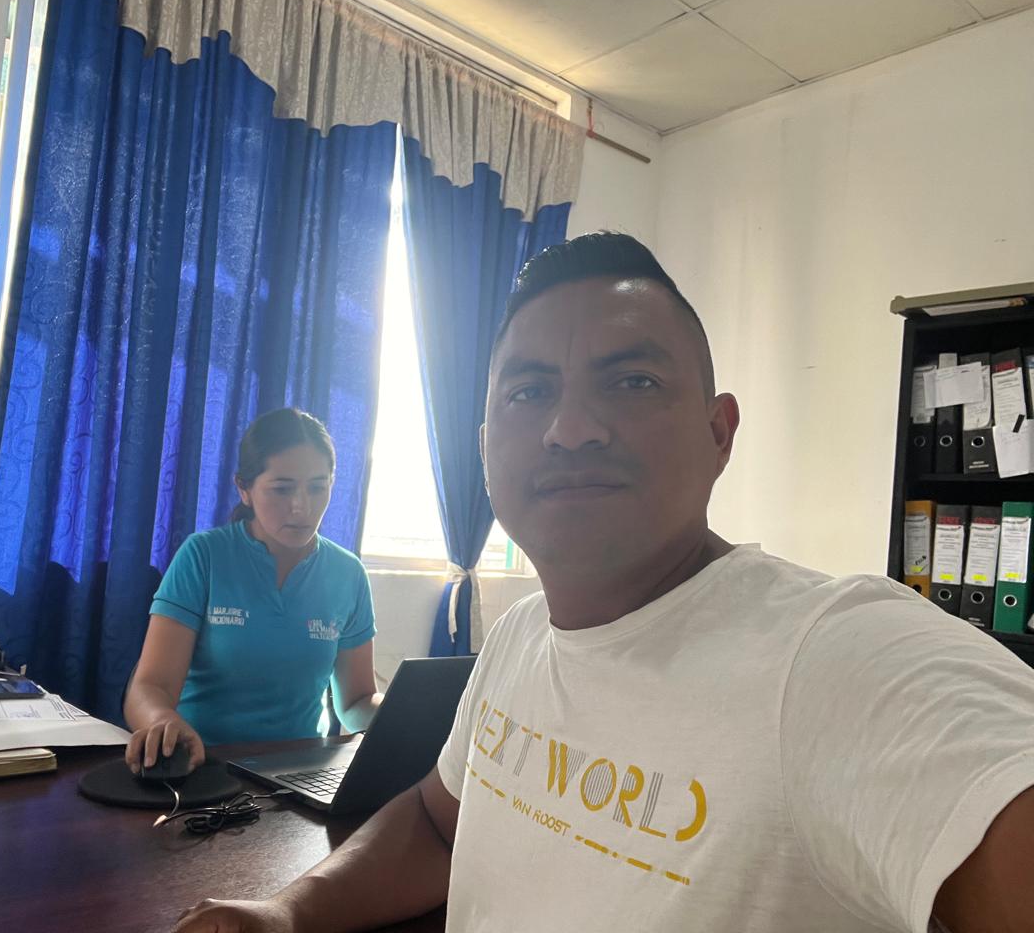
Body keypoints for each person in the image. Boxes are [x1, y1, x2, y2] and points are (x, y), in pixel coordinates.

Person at [172, 232, 1034, 932]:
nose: (571, 428)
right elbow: (438, 822)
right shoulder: (520, 634)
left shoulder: (834, 657)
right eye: (528, 391)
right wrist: (289, 912)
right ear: (483, 447)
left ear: (719, 432)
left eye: (632, 381)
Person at [124, 407, 381, 775]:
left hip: (302, 774)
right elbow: (150, 686)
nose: (302, 506)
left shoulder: (348, 573)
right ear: (244, 489)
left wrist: (401, 715)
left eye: (317, 487)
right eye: (282, 488)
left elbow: (355, 702)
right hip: (206, 768)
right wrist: (163, 720)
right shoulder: (204, 556)